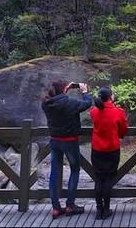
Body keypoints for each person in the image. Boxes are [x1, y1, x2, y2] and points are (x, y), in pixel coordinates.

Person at [41, 81, 93, 219]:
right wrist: (84, 92)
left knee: (54, 173)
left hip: (54, 141)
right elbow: (87, 104)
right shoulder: (70, 103)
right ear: (65, 89)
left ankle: (56, 208)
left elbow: (58, 98)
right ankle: (70, 205)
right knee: (74, 170)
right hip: (70, 141)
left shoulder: (46, 104)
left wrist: (64, 91)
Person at [90, 86, 128, 220]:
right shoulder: (118, 112)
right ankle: (106, 209)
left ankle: (99, 209)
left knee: (98, 178)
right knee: (108, 179)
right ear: (111, 97)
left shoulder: (93, 111)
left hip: (97, 149)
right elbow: (123, 130)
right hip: (112, 149)